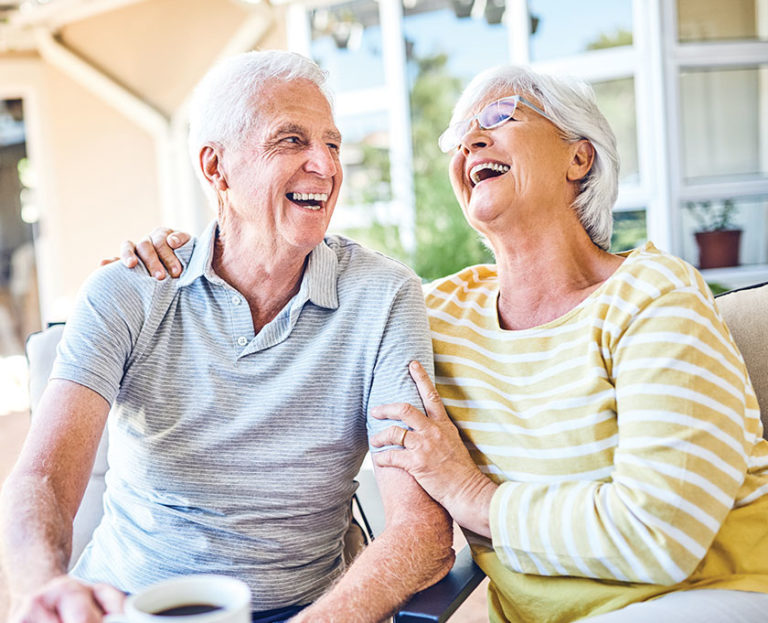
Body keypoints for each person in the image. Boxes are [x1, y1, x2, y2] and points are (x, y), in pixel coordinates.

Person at [115, 65, 768, 621]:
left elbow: (660, 535)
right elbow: (286, 315)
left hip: (710, 595)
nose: (471, 140)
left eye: (503, 114)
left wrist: (472, 494)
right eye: (458, 136)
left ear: (580, 155)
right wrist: (169, 266)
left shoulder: (654, 296)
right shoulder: (438, 315)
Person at [0, 50, 454, 623]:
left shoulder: (384, 298)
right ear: (216, 168)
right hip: (123, 606)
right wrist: (43, 586)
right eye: (291, 140)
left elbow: (423, 532)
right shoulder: (129, 290)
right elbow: (40, 479)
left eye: (333, 144)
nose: (326, 165)